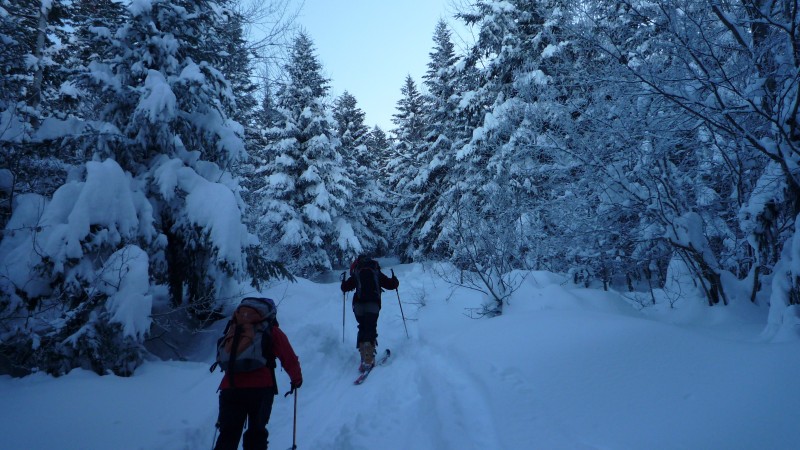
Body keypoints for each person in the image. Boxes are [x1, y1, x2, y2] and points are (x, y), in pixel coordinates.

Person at [213, 297, 302, 450]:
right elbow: (289, 357)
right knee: (256, 434)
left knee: (228, 434)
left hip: (230, 387)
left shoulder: (234, 327)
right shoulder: (271, 330)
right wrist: (296, 379)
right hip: (261, 389)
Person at [340, 255, 399, 370]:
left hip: (358, 306)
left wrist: (343, 282)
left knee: (362, 327)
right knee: (370, 328)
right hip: (373, 305)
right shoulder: (376, 271)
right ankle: (368, 359)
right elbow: (391, 285)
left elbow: (345, 287)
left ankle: (365, 355)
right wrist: (395, 280)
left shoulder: (357, 272)